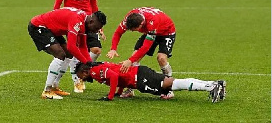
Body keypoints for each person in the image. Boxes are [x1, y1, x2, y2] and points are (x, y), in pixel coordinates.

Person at [28, 7, 106, 99]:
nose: (96, 31)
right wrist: (86, 62)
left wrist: (90, 63)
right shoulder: (77, 20)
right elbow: (71, 46)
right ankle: (47, 91)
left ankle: (54, 87)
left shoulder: (84, 22)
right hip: (39, 26)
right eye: (96, 28)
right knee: (60, 54)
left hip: (51, 30)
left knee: (68, 54)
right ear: (91, 22)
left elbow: (82, 46)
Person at [53, 0, 106, 93]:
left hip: (89, 22)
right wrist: (55, 22)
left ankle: (79, 71)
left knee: (96, 50)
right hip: (72, 22)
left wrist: (99, 26)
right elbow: (57, 4)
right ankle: (77, 80)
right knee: (73, 51)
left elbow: (93, 4)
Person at [106, 7, 176, 98]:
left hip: (167, 32)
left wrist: (130, 61)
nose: (131, 31)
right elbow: (118, 33)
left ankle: (168, 89)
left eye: (134, 29)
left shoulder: (152, 22)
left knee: (161, 58)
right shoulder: (129, 17)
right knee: (135, 57)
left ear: (141, 24)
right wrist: (113, 48)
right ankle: (130, 89)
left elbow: (145, 47)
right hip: (150, 32)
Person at [75, 62, 226, 103]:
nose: (80, 78)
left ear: (85, 70)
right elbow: (118, 77)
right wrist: (118, 93)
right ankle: (214, 84)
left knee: (170, 84)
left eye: (80, 75)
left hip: (139, 77)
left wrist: (110, 97)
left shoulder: (94, 72)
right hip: (138, 75)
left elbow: (114, 76)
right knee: (171, 82)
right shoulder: (97, 71)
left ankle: (211, 87)